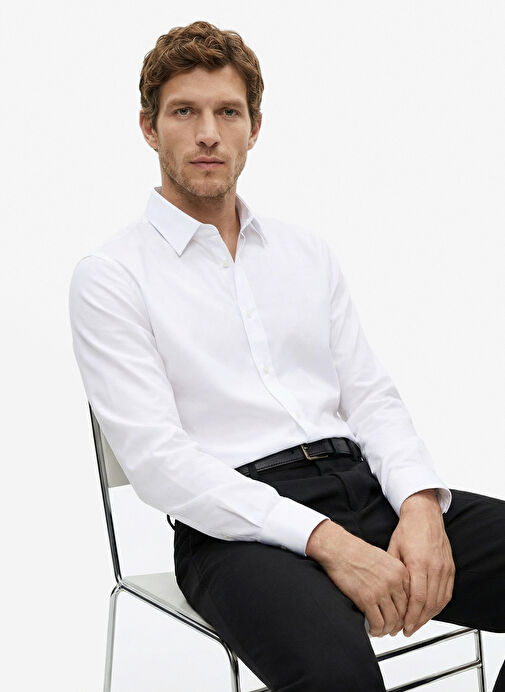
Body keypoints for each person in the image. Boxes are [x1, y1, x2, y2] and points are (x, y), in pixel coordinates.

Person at [68, 20, 505, 691]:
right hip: (233, 529)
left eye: (228, 112)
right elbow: (159, 462)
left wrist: (419, 506)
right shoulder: (112, 277)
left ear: (254, 128)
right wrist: (328, 541)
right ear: (149, 128)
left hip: (363, 489)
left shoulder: (305, 254)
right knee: (336, 677)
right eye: (184, 112)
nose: (208, 133)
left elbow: (370, 398)